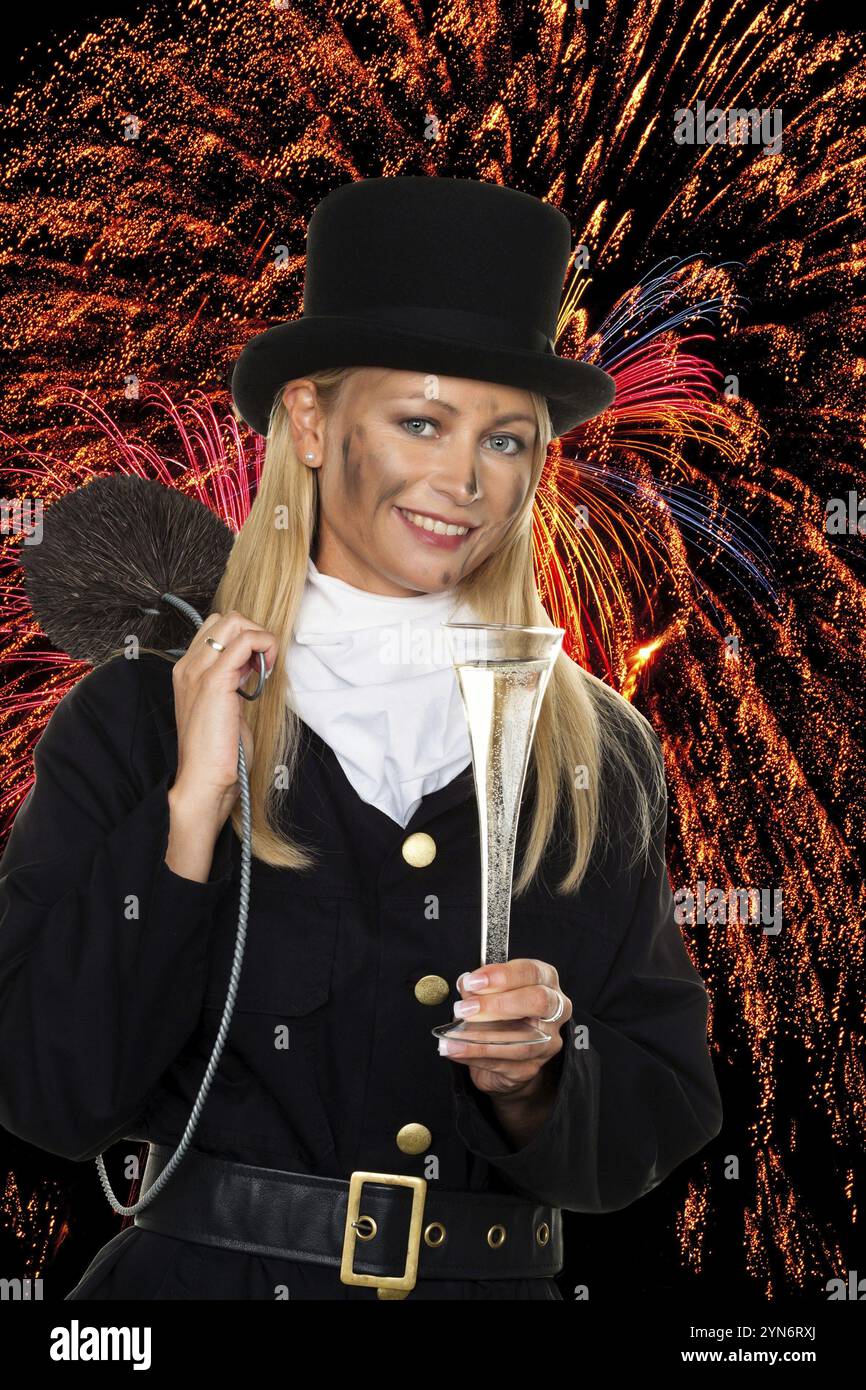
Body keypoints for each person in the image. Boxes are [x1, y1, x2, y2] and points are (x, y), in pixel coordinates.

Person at [0, 176, 723, 1300]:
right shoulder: (136, 719)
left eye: (505, 439)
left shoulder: (600, 751)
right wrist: (189, 811)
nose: (461, 481)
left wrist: (541, 1081)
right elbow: (47, 1092)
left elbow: (661, 1110)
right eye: (421, 421)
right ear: (308, 419)